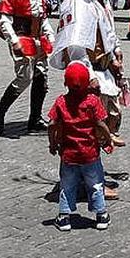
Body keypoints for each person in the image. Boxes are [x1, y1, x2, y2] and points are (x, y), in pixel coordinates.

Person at [50, 0, 129, 149]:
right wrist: (88, 75)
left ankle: (94, 167)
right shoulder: (77, 2)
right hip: (90, 71)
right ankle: (86, 172)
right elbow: (75, 44)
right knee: (89, 124)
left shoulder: (97, 1)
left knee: (110, 116)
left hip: (104, 67)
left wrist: (115, 51)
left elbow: (107, 29)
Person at [0, 0, 56, 136]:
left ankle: (34, 118)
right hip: (22, 38)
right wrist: (13, 40)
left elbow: (41, 17)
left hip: (38, 38)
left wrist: (49, 35)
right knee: (24, 78)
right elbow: (3, 18)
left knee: (41, 77)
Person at [48, 62, 113, 232]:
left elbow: (51, 124)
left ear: (65, 83)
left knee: (67, 185)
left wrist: (53, 143)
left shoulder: (61, 101)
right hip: (90, 154)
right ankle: (101, 215)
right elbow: (101, 124)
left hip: (68, 154)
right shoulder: (93, 101)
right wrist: (108, 139)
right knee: (96, 184)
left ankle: (64, 217)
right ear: (87, 83)